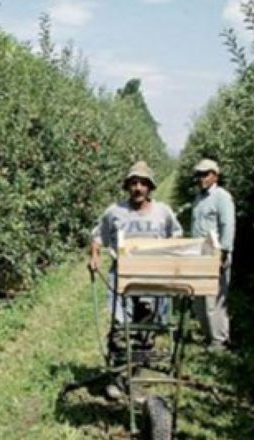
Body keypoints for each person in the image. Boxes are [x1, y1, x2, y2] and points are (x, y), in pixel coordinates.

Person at [89, 162, 182, 396]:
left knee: (146, 330)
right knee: (120, 328)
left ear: (150, 187)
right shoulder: (115, 212)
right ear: (127, 186)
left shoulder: (163, 212)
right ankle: (117, 377)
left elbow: (176, 237)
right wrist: (95, 256)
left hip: (153, 278)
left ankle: (137, 377)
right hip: (122, 276)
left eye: (142, 183)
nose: (137, 188)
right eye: (133, 183)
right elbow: (98, 235)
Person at [189, 158, 235, 351]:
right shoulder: (199, 197)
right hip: (199, 253)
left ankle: (220, 340)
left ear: (215, 175)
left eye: (206, 174)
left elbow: (228, 225)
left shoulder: (222, 197)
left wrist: (223, 253)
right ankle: (209, 335)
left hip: (215, 253)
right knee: (199, 298)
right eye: (199, 174)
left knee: (214, 299)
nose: (202, 178)